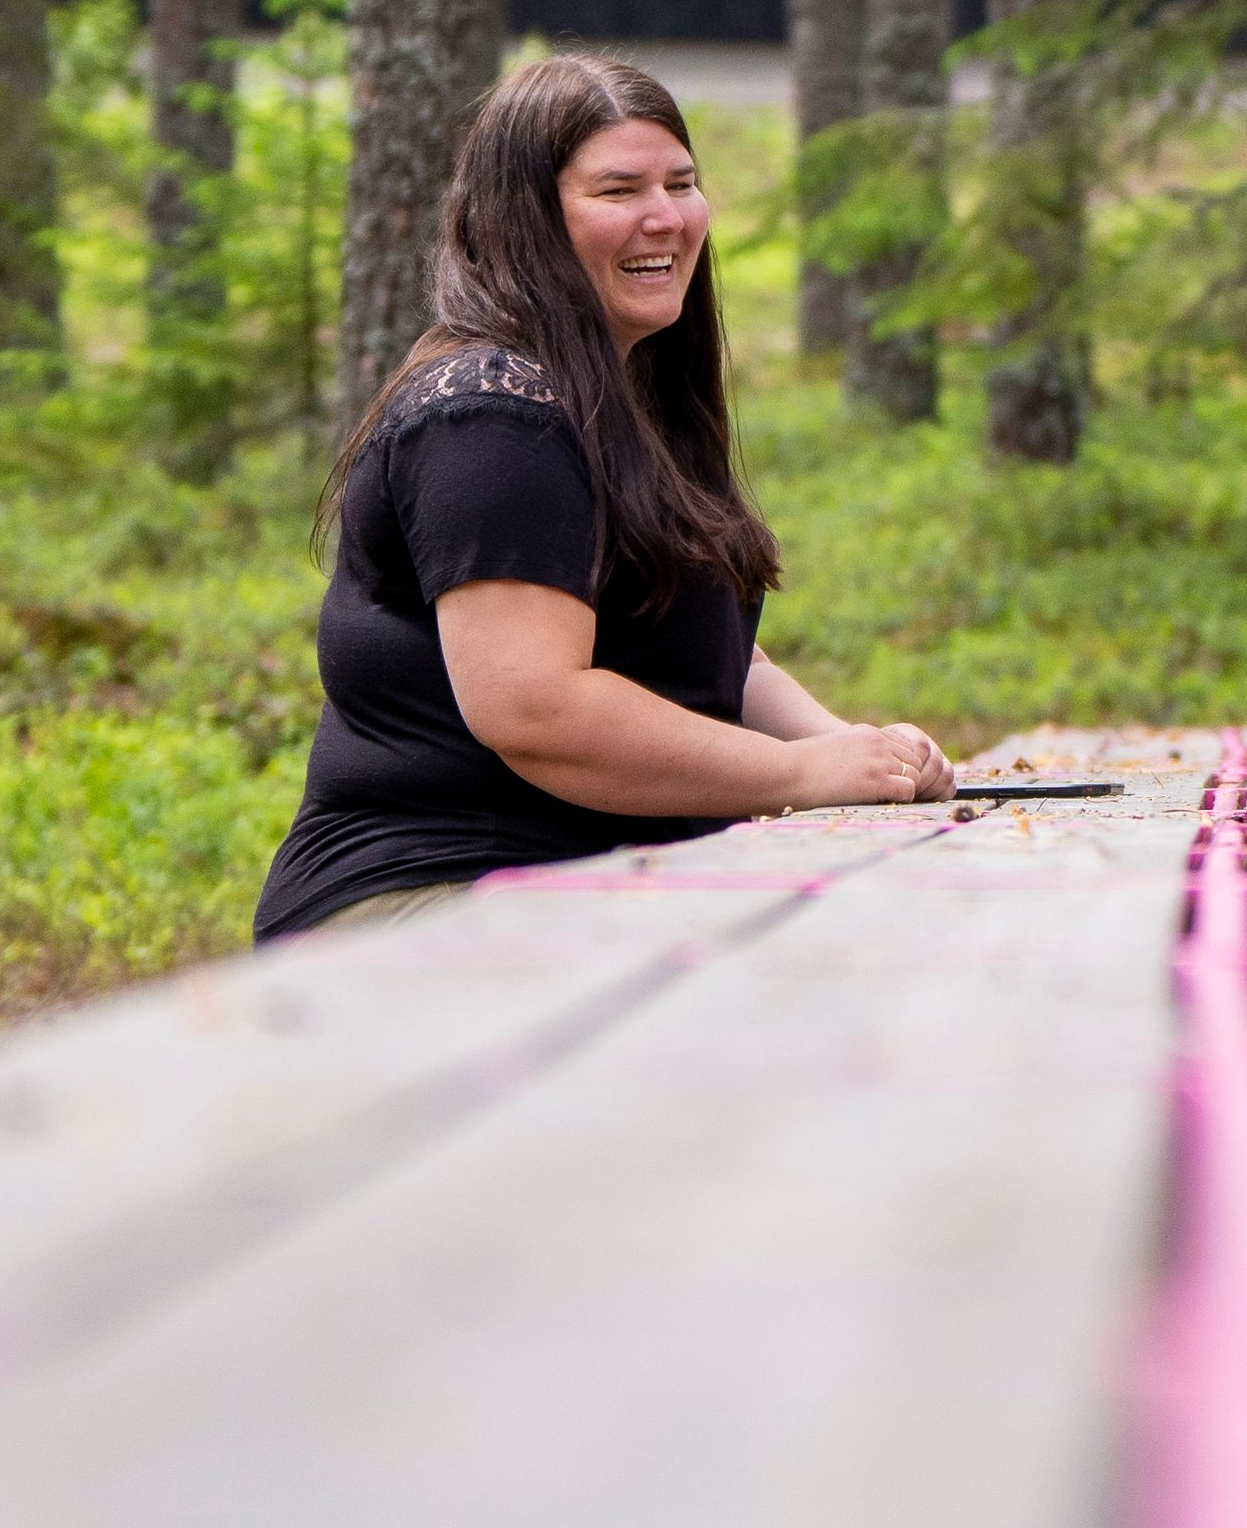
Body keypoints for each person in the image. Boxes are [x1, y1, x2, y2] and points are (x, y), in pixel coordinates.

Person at [257, 52, 955, 938]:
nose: (664, 217)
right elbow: (535, 708)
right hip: (431, 898)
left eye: (682, 182)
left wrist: (856, 750)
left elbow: (713, 661)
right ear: (528, 221)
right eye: (618, 190)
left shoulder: (629, 397)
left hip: (595, 880)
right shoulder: (490, 414)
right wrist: (797, 776)